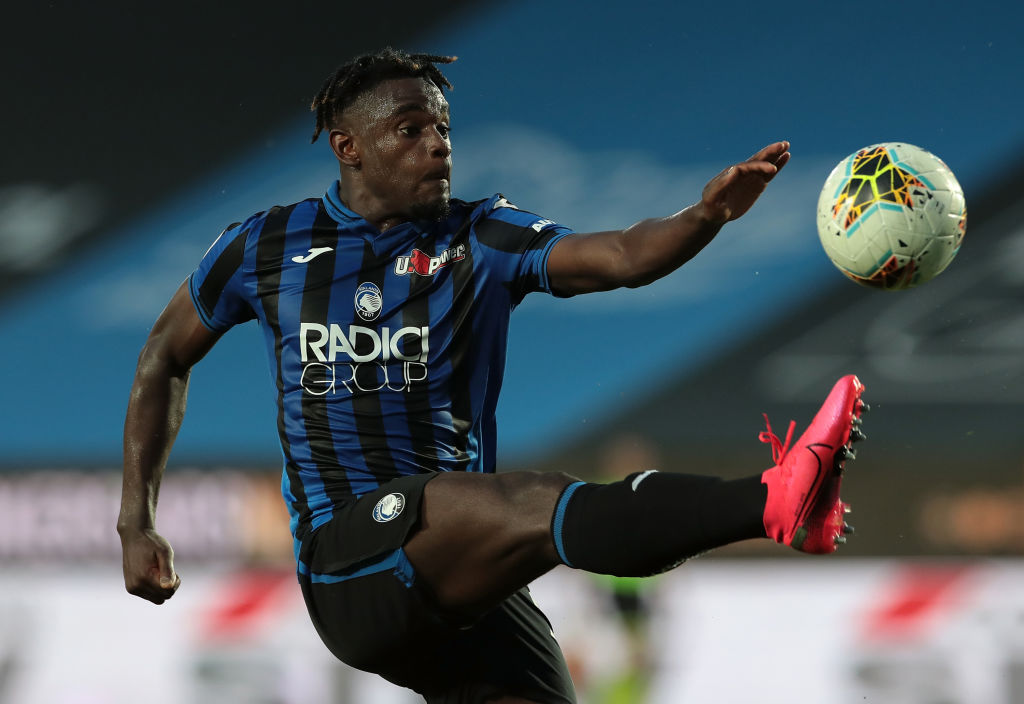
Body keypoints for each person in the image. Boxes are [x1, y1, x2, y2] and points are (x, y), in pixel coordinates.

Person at [117, 48, 868, 704]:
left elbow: (622, 256)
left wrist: (705, 216)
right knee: (536, 502)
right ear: (349, 147)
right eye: (410, 129)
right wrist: (136, 521)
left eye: (443, 128)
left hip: (461, 570)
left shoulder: (479, 233)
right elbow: (163, 357)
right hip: (350, 563)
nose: (437, 145)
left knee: (521, 528)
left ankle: (780, 504)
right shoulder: (266, 246)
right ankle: (773, 501)